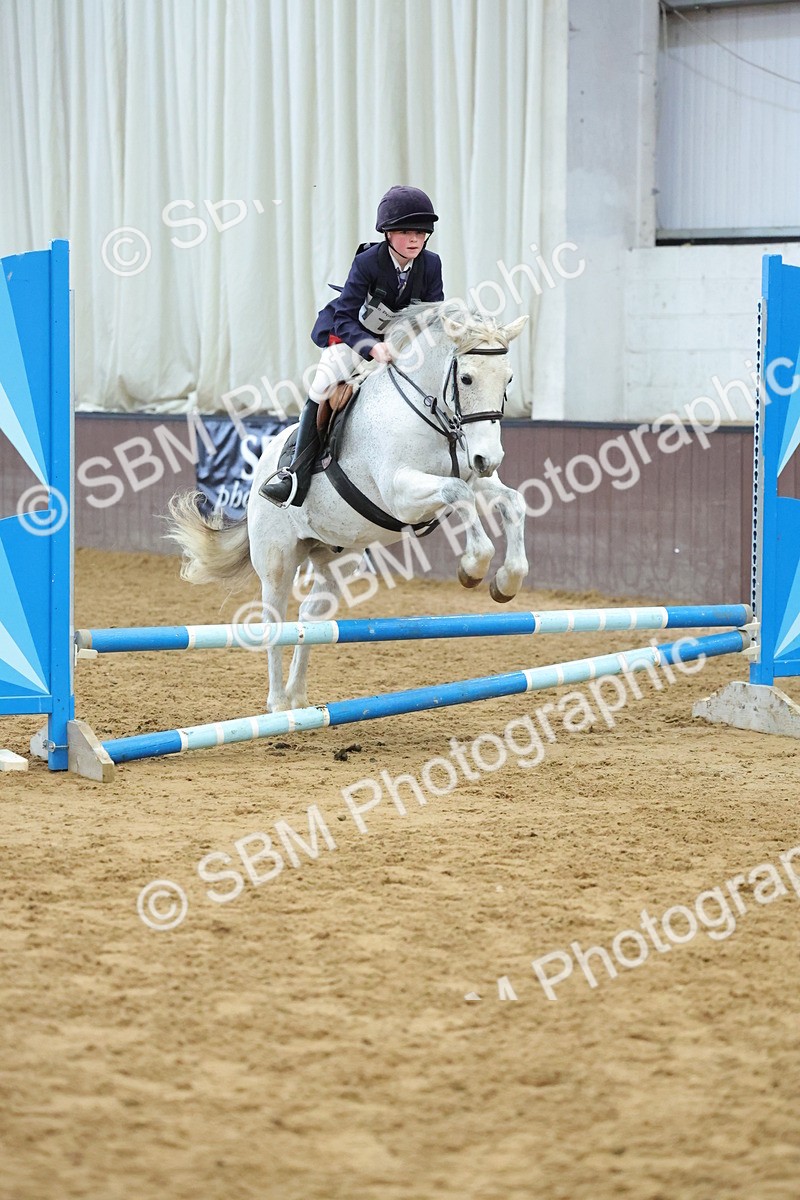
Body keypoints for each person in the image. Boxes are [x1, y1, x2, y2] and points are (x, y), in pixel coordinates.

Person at [259, 185, 445, 506]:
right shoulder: (368, 262)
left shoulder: (431, 264)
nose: (415, 239)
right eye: (405, 232)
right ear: (387, 233)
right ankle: (295, 475)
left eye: (420, 232)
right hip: (354, 335)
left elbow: (432, 316)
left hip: (400, 342)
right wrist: (372, 348)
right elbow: (345, 317)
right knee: (321, 385)